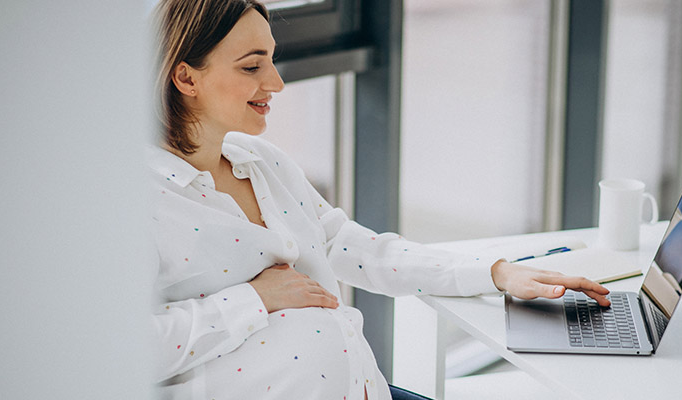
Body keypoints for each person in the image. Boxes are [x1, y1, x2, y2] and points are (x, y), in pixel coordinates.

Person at [149, 1, 611, 399]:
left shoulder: (259, 162)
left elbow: (355, 248)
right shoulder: (138, 203)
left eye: (271, 60)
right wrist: (253, 299)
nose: (276, 83)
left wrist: (494, 273)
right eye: (252, 66)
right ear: (186, 78)